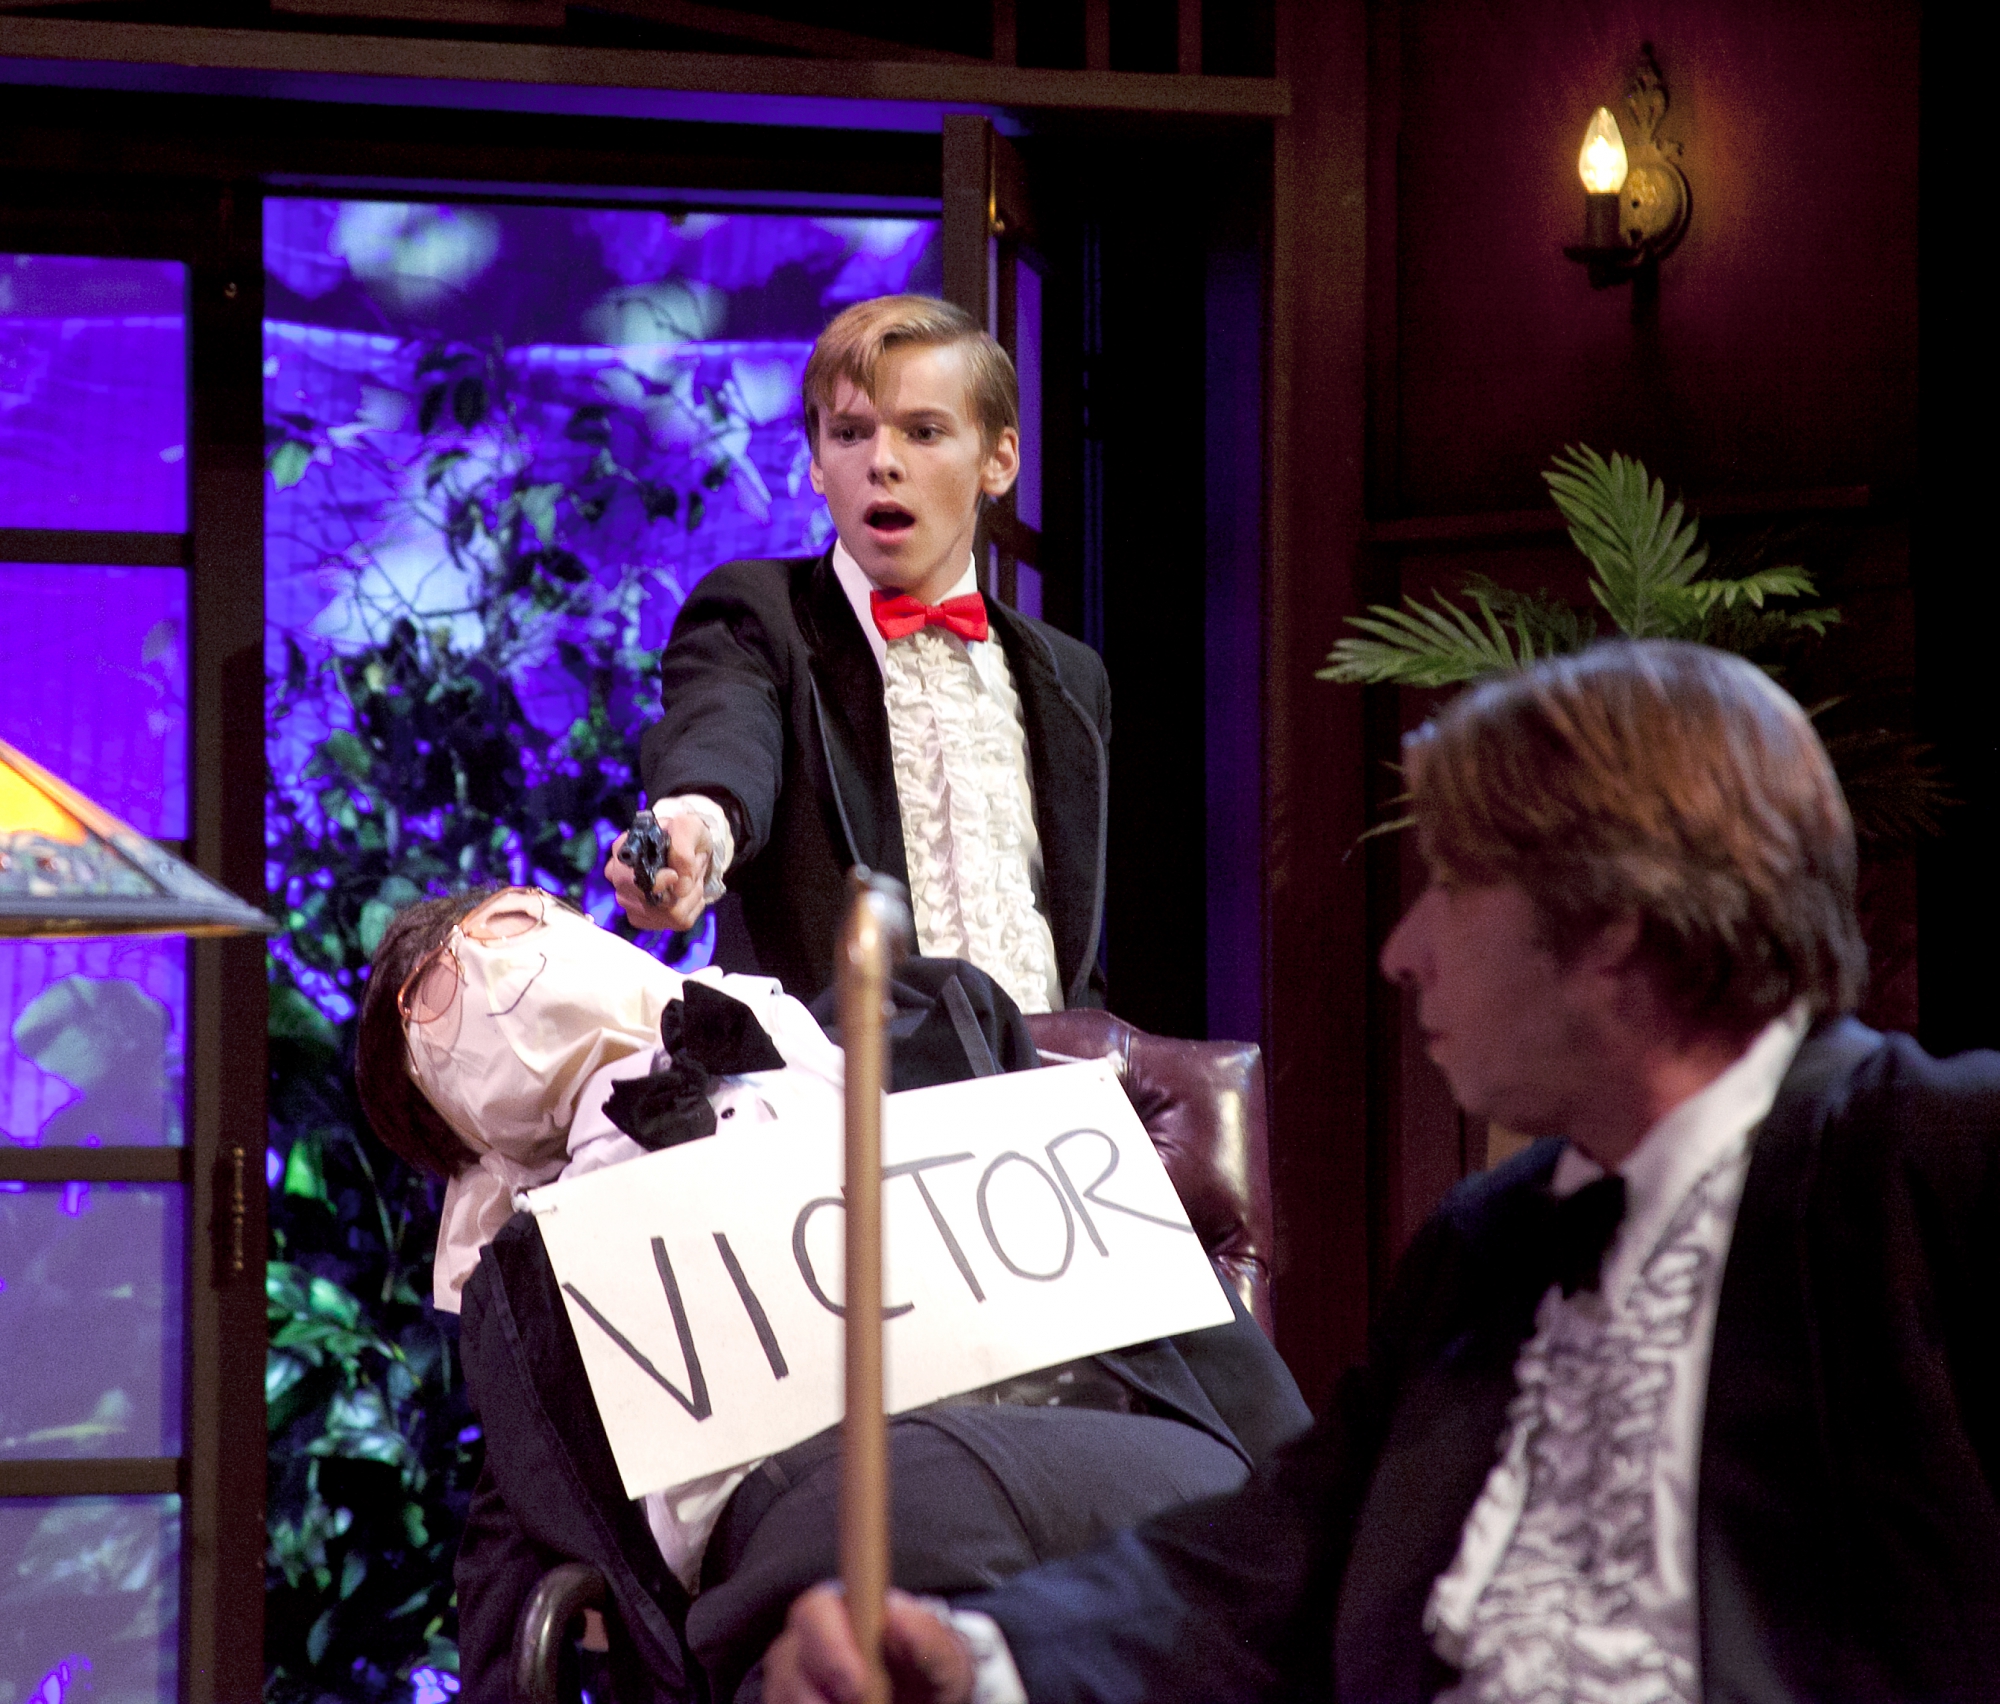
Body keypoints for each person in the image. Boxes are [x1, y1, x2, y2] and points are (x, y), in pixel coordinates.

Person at [764, 639, 2000, 1704]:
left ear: (1614, 922)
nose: (1402, 949)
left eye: (1452, 885)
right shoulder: (1485, 1240)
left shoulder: (1931, 1159)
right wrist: (976, 1658)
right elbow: (1271, 1564)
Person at [354, 889, 1307, 1702]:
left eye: (509, 926)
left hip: (1119, 1451)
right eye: (438, 1013)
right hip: (837, 1544)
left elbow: (1157, 1281)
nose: (496, 977)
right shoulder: (537, 1296)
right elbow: (507, 1572)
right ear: (470, 1147)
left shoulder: (925, 1014)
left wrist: (1301, 1491)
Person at [603, 293, 1110, 1014]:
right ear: (816, 462)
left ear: (998, 460)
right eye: (850, 433)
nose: (882, 462)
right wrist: (692, 833)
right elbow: (723, 741)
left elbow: (1072, 940)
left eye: (923, 432)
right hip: (850, 1074)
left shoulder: (1071, 677)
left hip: (1053, 1074)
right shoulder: (757, 615)